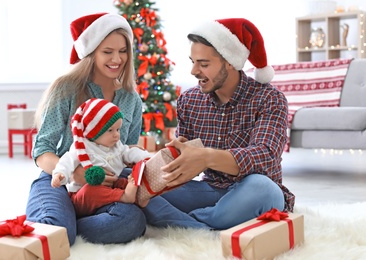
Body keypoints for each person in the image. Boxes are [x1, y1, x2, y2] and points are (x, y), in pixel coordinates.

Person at [142, 18, 295, 230]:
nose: (194, 71)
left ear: (230, 61)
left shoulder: (269, 98)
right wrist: (170, 160)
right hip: (209, 191)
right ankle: (211, 225)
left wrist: (206, 157)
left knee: (263, 189)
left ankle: (188, 224)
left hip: (251, 191)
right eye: (193, 61)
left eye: (204, 64)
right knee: (135, 185)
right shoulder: (189, 100)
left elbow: (266, 158)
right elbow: (184, 160)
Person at [26, 13, 146, 245]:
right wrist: (75, 173)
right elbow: (42, 150)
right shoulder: (66, 88)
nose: (117, 59)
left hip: (104, 189)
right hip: (58, 178)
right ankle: (61, 222)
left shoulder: (132, 99)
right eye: (107, 51)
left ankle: (68, 225)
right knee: (55, 230)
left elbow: (128, 149)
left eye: (123, 51)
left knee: (132, 221)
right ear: (91, 53)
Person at [51, 98, 152, 217]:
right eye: (110, 130)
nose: (116, 135)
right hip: (82, 195)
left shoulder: (116, 145)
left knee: (125, 182)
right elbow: (66, 162)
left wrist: (145, 158)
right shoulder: (82, 147)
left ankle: (139, 197)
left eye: (118, 129)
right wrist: (59, 174)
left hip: (110, 186)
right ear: (94, 132)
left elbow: (129, 152)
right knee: (91, 190)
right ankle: (125, 197)